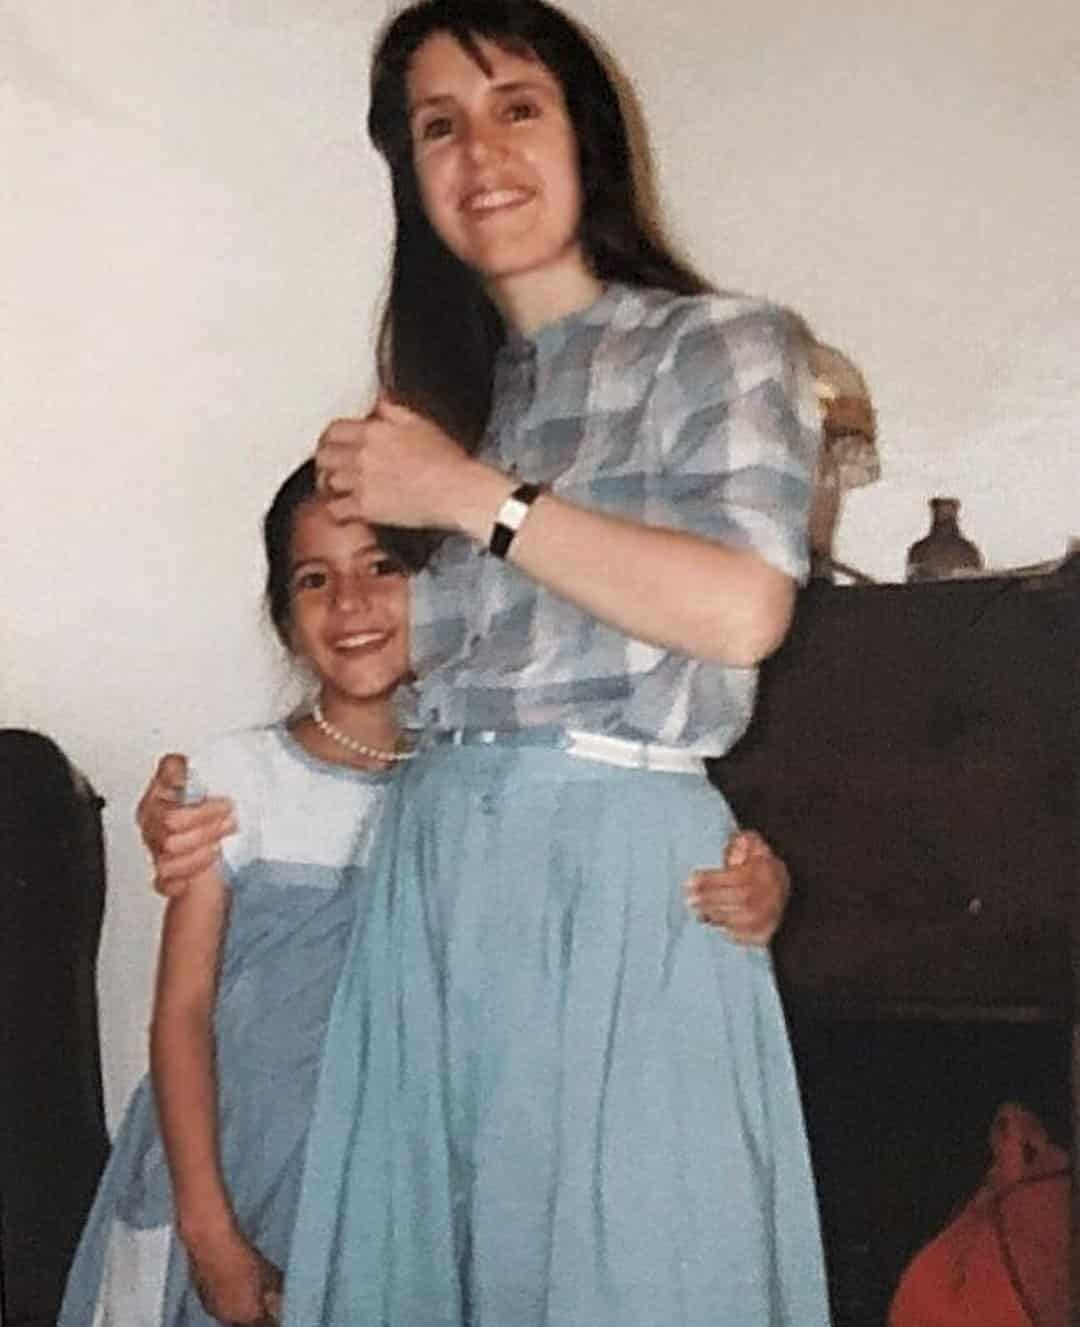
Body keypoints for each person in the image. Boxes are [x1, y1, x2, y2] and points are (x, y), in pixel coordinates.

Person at [142, 0, 829, 1319]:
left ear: (591, 137)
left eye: (518, 106)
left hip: (619, 874)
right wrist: (203, 802)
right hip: (433, 865)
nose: (479, 154)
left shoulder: (724, 343)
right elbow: (371, 656)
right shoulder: (443, 397)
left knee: (636, 1262)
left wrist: (477, 497)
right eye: (437, 127)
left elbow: (741, 612)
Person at [59, 461, 425, 1327]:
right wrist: (209, 1229)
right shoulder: (236, 780)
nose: (351, 601)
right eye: (314, 578)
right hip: (218, 1176)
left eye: (383, 566)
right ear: (285, 618)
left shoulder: (468, 784)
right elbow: (180, 1012)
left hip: (368, 1197)